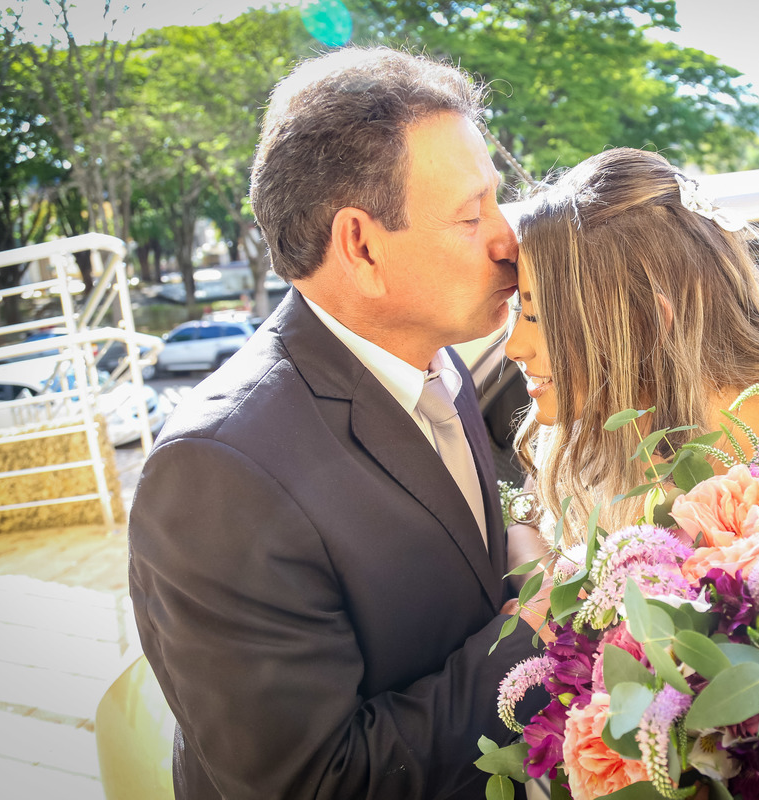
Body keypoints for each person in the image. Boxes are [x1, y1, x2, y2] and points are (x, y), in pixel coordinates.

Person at [128, 47, 548, 800]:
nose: (507, 239)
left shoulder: (437, 361)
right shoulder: (217, 472)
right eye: (471, 214)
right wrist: (534, 642)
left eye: (497, 201)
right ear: (361, 246)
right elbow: (315, 781)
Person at [504, 148, 759, 545]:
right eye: (520, 310)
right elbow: (531, 534)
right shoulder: (585, 427)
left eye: (539, 318)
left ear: (648, 321)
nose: (513, 347)